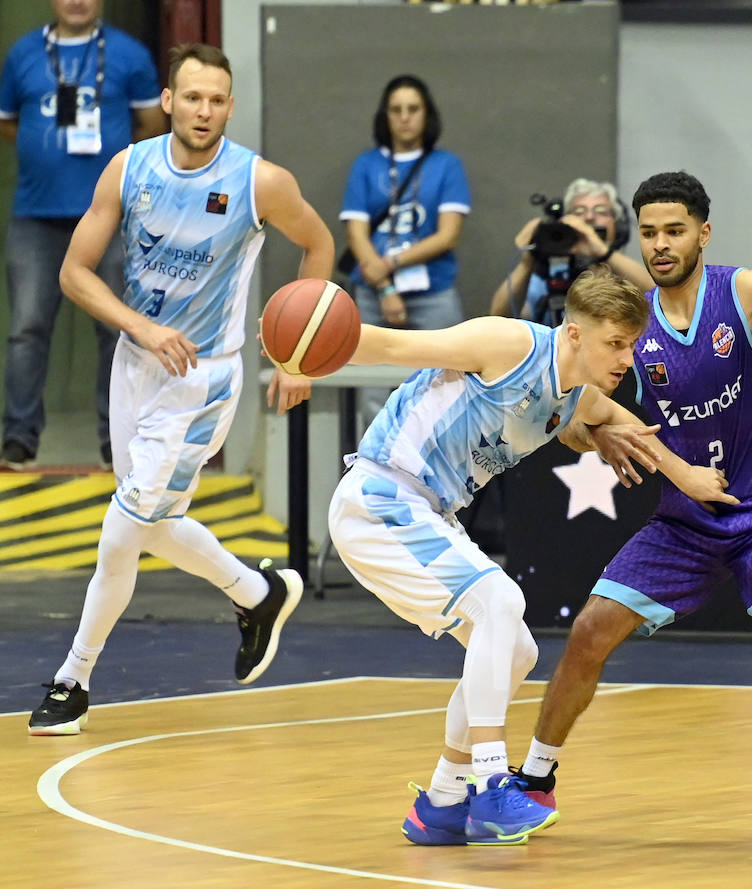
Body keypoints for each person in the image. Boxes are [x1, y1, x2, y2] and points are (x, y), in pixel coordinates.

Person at [513, 171, 752, 846]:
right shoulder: (631, 325)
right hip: (683, 523)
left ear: (703, 233)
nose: (661, 245)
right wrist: (605, 433)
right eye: (651, 232)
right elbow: (569, 419)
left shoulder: (745, 292)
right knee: (589, 632)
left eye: (675, 231)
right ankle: (536, 777)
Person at [324, 264, 735, 846]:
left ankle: (442, 801)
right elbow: (392, 343)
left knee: (516, 649)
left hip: (424, 513)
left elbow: (617, 418)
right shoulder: (510, 345)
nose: (626, 359)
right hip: (381, 494)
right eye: (614, 344)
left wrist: (685, 474)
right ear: (573, 335)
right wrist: (304, 349)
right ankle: (492, 786)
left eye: (632, 346)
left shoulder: (575, 397)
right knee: (500, 599)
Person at [26, 43, 333, 735]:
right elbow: (76, 273)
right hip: (137, 363)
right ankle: (257, 594)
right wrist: (142, 327)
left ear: (230, 104)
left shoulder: (261, 181)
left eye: (217, 99)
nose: (204, 110)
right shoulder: (129, 168)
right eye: (192, 97)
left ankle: (73, 679)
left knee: (123, 528)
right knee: (153, 523)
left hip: (202, 380)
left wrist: (297, 355)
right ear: (168, 100)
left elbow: (319, 248)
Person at [0, 0, 165, 469]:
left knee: (117, 329)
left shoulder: (130, 54)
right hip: (37, 215)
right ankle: (19, 438)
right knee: (25, 330)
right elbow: (8, 122)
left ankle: (116, 438)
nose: (77, 1)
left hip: (109, 217)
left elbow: (151, 125)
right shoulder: (23, 53)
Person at [340, 74, 470, 423]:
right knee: (370, 391)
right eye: (396, 110)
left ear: (427, 114)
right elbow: (356, 234)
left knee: (450, 379)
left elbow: (448, 235)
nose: (405, 117)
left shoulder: (446, 165)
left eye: (413, 109)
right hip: (371, 292)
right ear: (385, 116)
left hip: (434, 291)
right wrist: (384, 285)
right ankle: (372, 469)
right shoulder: (366, 165)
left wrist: (392, 262)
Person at [489, 177, 654, 327]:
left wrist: (604, 253)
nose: (589, 218)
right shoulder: (553, 277)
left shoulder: (629, 274)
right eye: (579, 212)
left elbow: (658, 294)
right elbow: (499, 318)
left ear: (618, 225)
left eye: (601, 211)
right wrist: (527, 262)